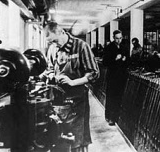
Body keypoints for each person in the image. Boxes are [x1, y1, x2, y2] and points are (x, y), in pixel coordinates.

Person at [44, 21, 99, 152]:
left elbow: (94, 73)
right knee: (59, 137)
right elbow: (49, 68)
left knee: (78, 138)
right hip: (59, 100)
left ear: (61, 32)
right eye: (51, 42)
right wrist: (51, 75)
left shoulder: (81, 46)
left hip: (77, 99)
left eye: (56, 41)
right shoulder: (53, 49)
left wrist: (72, 82)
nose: (54, 44)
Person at [103, 30, 129, 125]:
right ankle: (109, 117)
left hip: (121, 76)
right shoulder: (109, 48)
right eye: (117, 38)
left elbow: (128, 61)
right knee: (111, 97)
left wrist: (125, 59)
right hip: (112, 77)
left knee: (119, 97)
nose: (119, 40)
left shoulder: (124, 47)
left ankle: (116, 117)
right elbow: (105, 62)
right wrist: (114, 59)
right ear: (113, 38)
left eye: (120, 38)